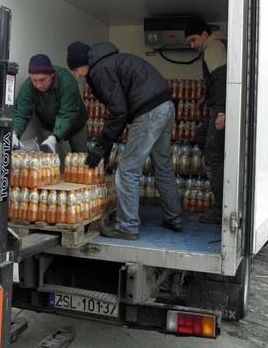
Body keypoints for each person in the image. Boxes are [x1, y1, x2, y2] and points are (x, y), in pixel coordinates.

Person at [66, 41, 182, 240]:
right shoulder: (114, 60)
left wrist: (102, 145)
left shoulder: (100, 69)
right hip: (166, 106)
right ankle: (174, 217)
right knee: (162, 164)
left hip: (149, 112)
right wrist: (108, 144)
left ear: (83, 64)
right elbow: (122, 110)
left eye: (76, 70)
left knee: (128, 170)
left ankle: (127, 227)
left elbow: (119, 111)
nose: (77, 76)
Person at [184, 17, 227, 225]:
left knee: (213, 157)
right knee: (201, 136)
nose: (193, 45)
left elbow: (223, 79)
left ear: (204, 34)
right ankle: (220, 166)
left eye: (193, 40)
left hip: (223, 111)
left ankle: (221, 209)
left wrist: (221, 111)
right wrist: (206, 99)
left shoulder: (214, 48)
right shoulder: (213, 47)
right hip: (218, 107)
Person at [13, 54, 87, 156]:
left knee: (81, 158)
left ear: (52, 75)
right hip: (49, 126)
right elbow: (21, 112)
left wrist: (54, 138)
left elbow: (67, 114)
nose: (38, 85)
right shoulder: (28, 87)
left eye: (42, 80)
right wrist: (14, 133)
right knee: (52, 159)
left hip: (76, 124)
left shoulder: (67, 82)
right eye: (34, 80)